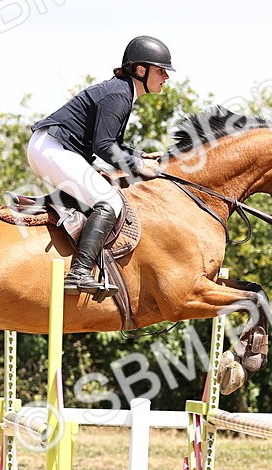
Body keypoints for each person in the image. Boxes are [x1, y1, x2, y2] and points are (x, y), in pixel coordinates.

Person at [27, 35, 174, 294]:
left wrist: (141, 157)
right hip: (52, 148)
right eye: (160, 70)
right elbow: (103, 147)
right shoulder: (119, 94)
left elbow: (113, 143)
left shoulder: (123, 91)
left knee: (103, 194)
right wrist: (137, 167)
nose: (166, 76)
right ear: (141, 70)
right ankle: (79, 273)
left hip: (52, 147)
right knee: (110, 201)